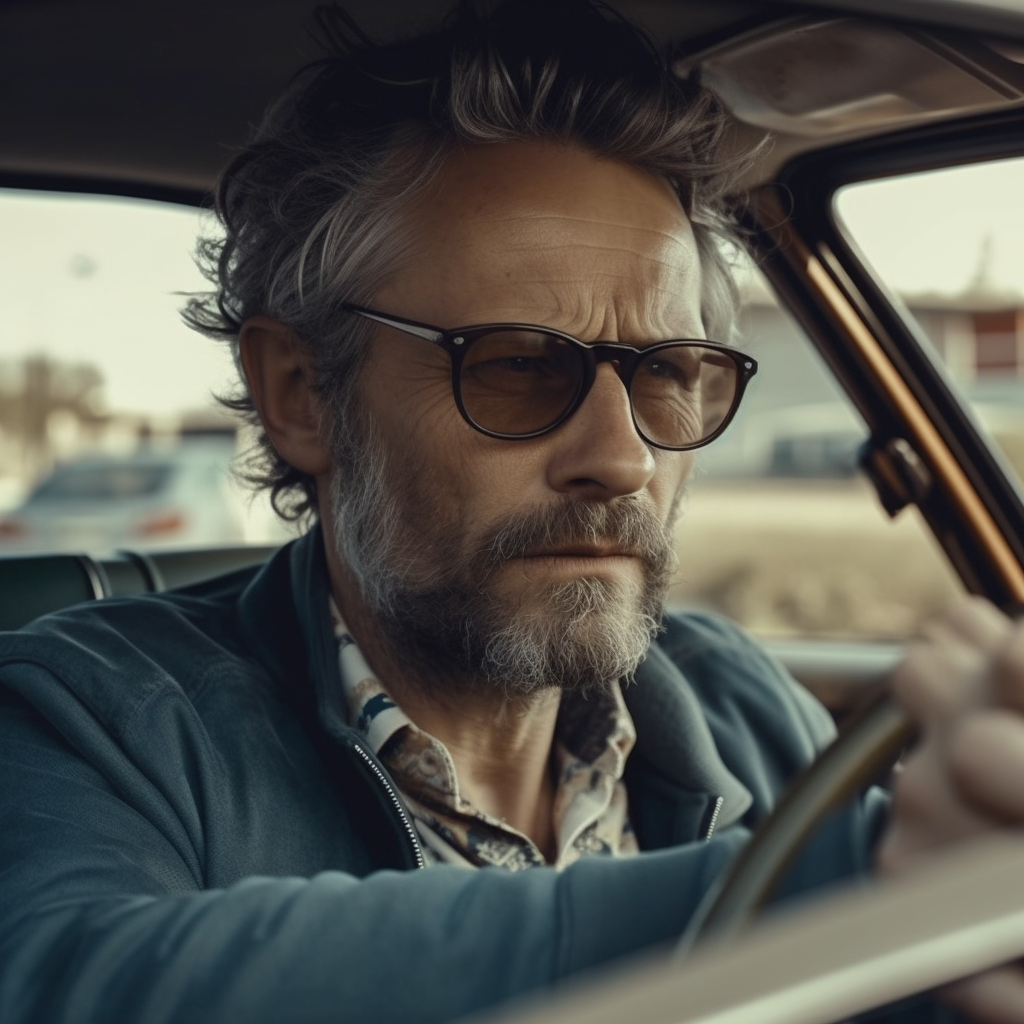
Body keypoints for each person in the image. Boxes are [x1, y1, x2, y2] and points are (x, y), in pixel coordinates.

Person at [1, 2, 1023, 1022]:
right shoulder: (87, 719)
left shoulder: (735, 701)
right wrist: (837, 900)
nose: (622, 460)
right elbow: (64, 980)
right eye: (519, 365)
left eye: (667, 372)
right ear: (302, 393)